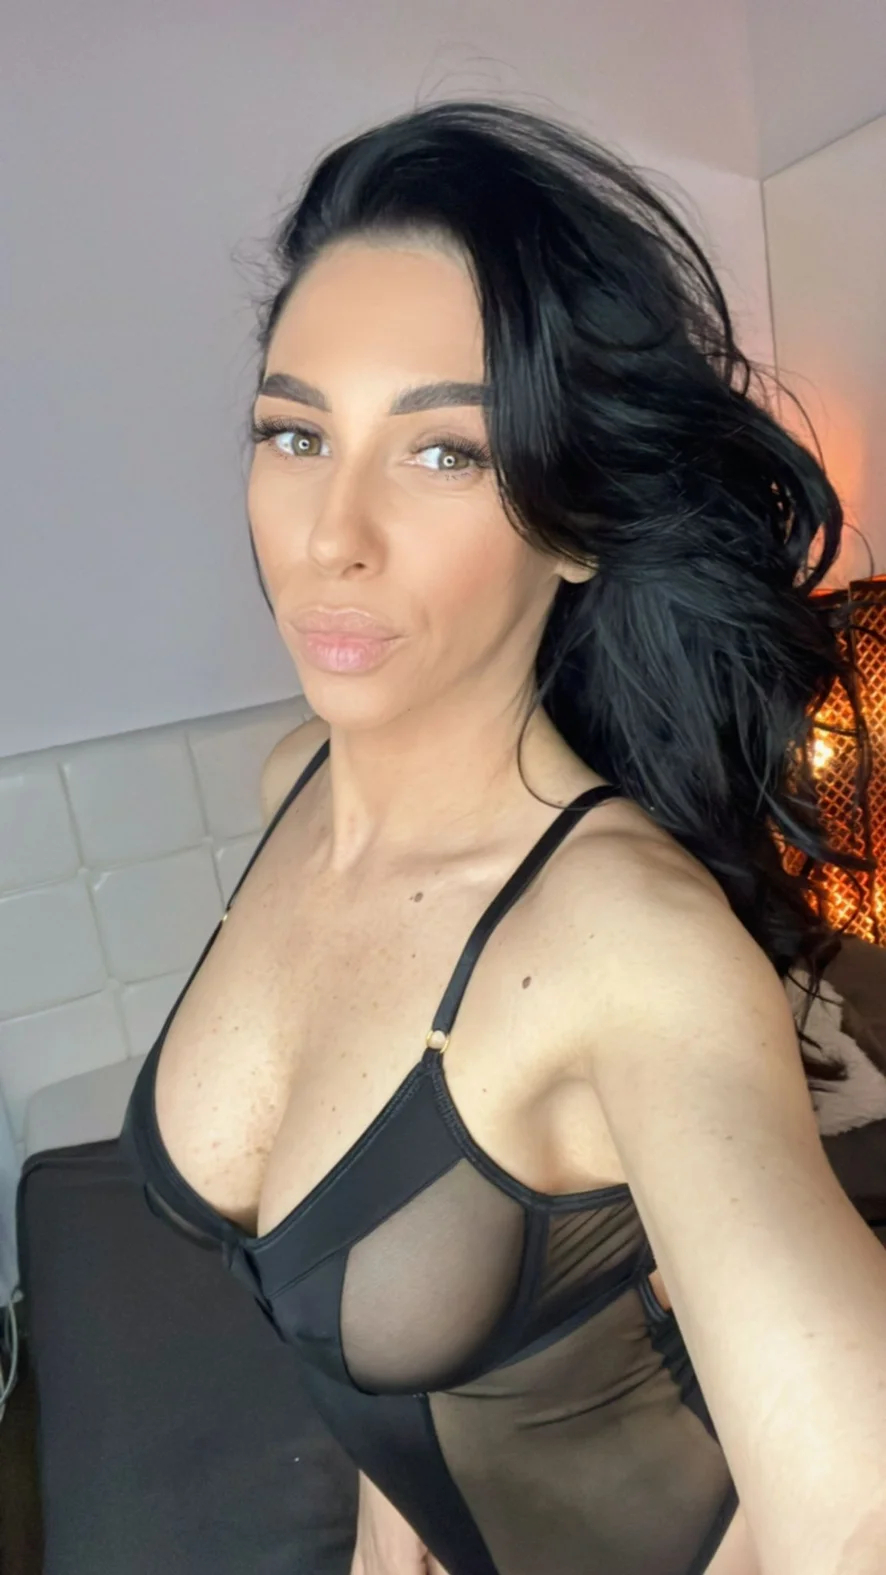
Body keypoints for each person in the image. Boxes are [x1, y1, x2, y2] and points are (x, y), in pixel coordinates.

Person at [121, 99, 886, 1575]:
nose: (331, 535)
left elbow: (854, 1511)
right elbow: (372, 1332)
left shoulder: (627, 939)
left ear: (575, 521)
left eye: (443, 455)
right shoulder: (294, 782)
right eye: (296, 432)